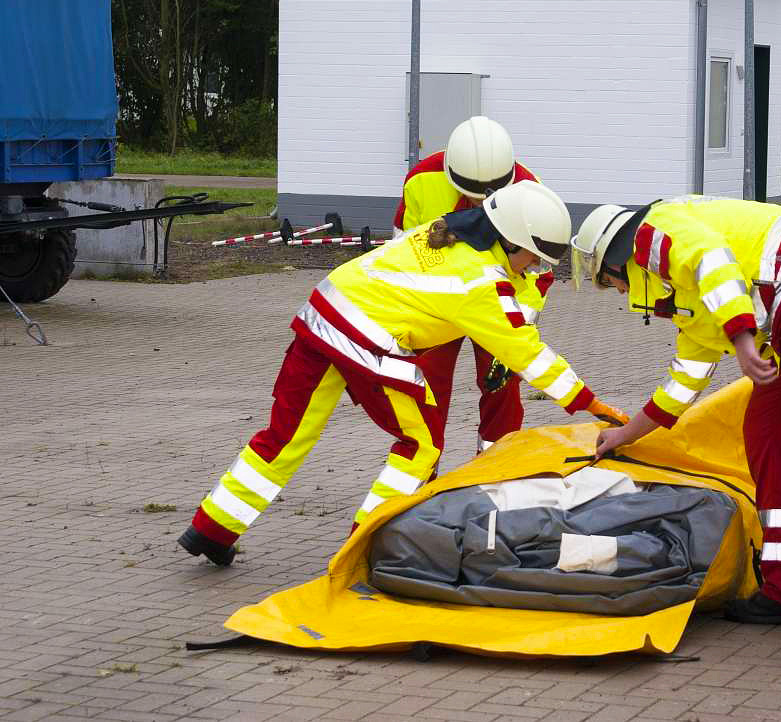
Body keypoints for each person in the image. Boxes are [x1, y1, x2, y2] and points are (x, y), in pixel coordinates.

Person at [179, 181, 628, 567]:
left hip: (321, 317)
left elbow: (511, 309)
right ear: (510, 241)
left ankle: (213, 529)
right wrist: (590, 404)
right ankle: (365, 546)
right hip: (365, 338)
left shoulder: (446, 232)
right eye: (532, 259)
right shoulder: (479, 282)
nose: (535, 268)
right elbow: (528, 353)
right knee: (422, 446)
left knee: (286, 433)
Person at [572, 195, 781, 669]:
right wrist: (626, 434)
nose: (621, 294)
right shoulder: (692, 302)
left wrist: (744, 339)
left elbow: (713, 260)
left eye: (613, 282)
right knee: (768, 432)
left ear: (621, 258)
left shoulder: (653, 233)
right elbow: (683, 382)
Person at [395, 116, 549, 455]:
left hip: (497, 302)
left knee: (503, 393)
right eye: (472, 194)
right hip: (436, 306)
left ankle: (494, 472)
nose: (480, 203)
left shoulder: (528, 189)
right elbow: (403, 254)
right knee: (425, 390)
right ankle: (420, 475)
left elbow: (537, 274)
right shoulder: (422, 179)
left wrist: (516, 331)